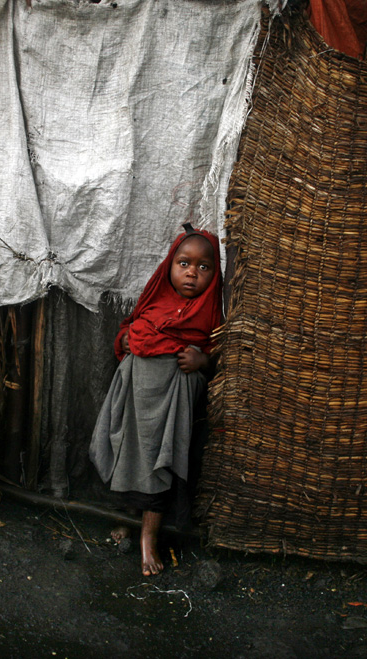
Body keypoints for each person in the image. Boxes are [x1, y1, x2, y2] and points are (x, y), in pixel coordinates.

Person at [89, 223, 223, 576]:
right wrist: (125, 343)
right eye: (184, 263)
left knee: (159, 460)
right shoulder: (156, 300)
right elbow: (128, 329)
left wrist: (202, 361)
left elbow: (220, 357)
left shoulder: (210, 315)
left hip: (173, 400)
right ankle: (127, 519)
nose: (192, 272)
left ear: (214, 273)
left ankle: (150, 536)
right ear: (169, 266)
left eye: (203, 267)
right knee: (129, 452)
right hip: (136, 395)